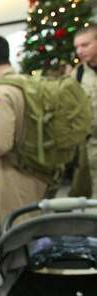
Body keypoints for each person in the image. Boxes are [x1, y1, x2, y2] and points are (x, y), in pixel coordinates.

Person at [0, 34, 48, 226]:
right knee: (40, 225)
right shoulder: (29, 83)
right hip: (40, 168)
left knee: (20, 230)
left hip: (15, 174)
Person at [71, 25, 97, 198]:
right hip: (92, 146)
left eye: (85, 45)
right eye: (77, 47)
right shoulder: (78, 74)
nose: (80, 51)